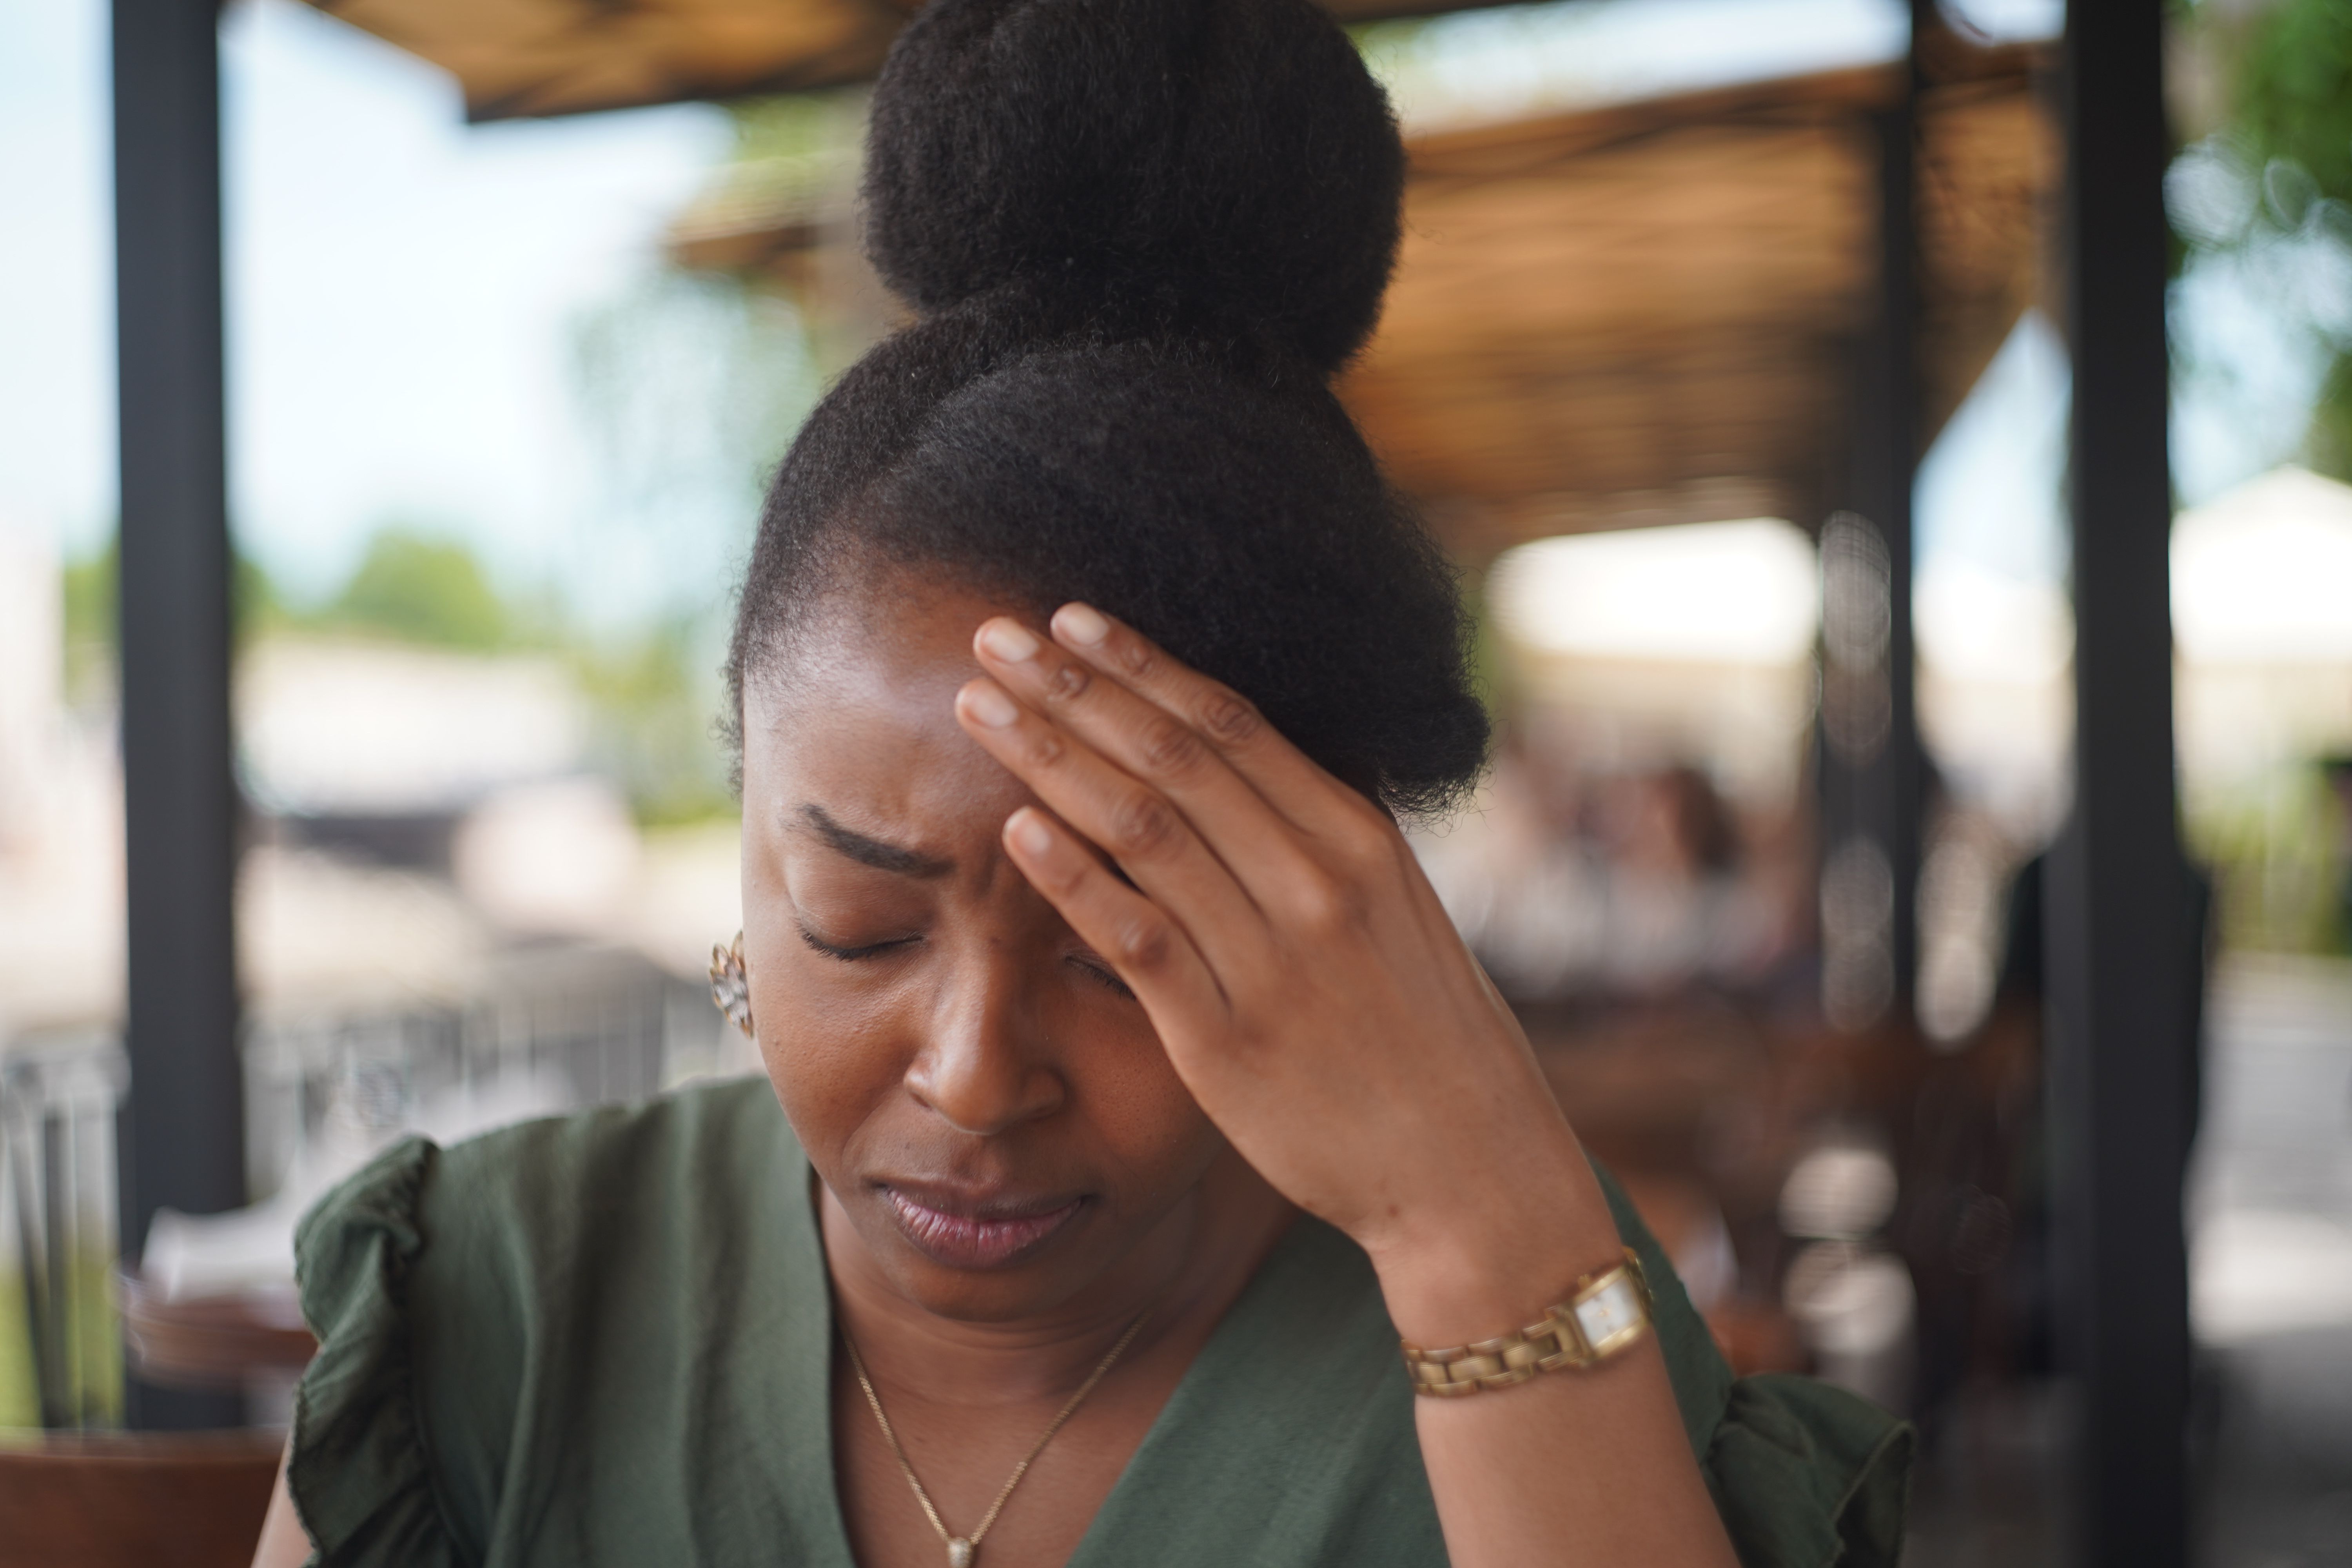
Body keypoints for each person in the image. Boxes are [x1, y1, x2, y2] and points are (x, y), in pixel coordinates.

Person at [251, 1, 1909, 1562]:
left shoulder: (1533, 1308)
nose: (976, 1079)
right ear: (748, 837)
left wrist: (1485, 1233)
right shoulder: (499, 1308)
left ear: (1330, 896)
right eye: (858, 925)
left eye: (1125, 948)